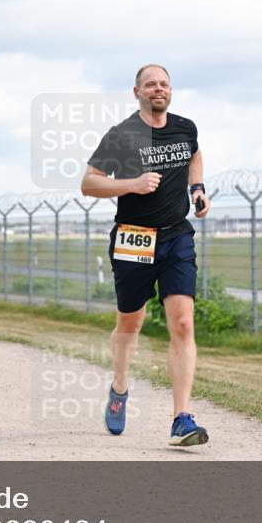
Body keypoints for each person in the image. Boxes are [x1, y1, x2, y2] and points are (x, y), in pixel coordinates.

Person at [81, 64, 211, 447]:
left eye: (165, 84)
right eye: (151, 84)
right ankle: (119, 388)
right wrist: (133, 184)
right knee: (130, 324)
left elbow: (195, 156)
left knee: (184, 324)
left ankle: (181, 419)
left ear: (171, 91)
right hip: (133, 240)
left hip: (176, 237)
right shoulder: (122, 136)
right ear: (136, 91)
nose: (159, 89)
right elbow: (89, 183)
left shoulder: (186, 128)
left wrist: (198, 190)